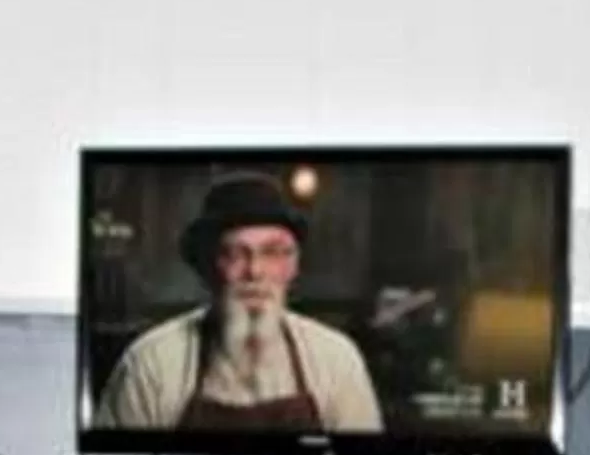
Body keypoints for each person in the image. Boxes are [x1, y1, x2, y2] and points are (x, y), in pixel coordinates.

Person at [93, 171, 385, 433]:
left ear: (293, 266)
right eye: (234, 253)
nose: (254, 271)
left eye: (272, 252)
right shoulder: (150, 363)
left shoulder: (336, 358)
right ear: (206, 266)